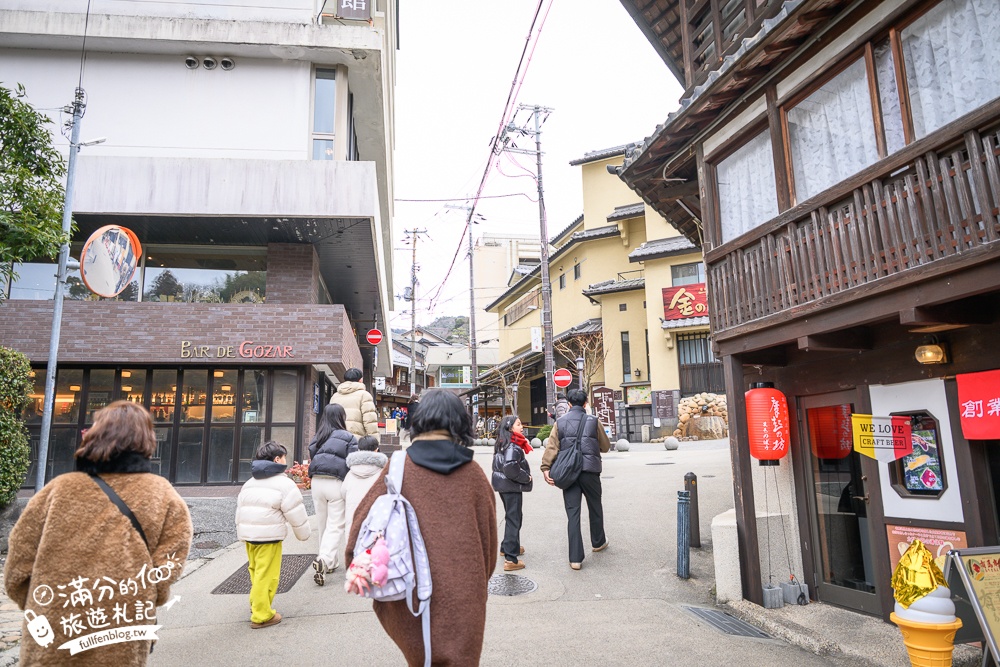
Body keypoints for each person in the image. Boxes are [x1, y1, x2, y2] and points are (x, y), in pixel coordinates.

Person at [5, 401, 192, 665]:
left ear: (94, 435)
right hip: (124, 622)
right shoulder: (163, 494)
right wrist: (147, 596)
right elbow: (169, 563)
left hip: (54, 625)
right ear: (147, 440)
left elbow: (17, 569)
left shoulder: (58, 490)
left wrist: (44, 606)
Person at [346, 389, 497, 666]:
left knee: (421, 656)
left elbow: (359, 529)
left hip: (409, 593)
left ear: (420, 420)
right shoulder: (474, 475)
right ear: (461, 424)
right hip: (465, 598)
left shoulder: (399, 468)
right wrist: (475, 582)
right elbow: (489, 546)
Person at [236, 440, 310, 628]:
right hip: (268, 537)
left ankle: (256, 604)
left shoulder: (249, 483)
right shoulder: (284, 484)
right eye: (284, 457)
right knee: (267, 575)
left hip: (249, 536)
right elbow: (295, 512)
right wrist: (303, 534)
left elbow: (240, 510)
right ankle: (262, 615)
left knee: (256, 571)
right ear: (277, 459)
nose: (285, 460)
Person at [540, 388, 612, 571]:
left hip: (569, 472)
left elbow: (552, 447)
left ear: (569, 404)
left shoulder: (560, 422)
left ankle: (575, 559)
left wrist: (546, 468)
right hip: (590, 471)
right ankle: (598, 542)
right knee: (595, 506)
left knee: (573, 513)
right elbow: (605, 446)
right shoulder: (593, 421)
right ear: (586, 403)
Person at [308, 403, 359, 585]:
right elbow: (353, 461)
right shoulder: (348, 437)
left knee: (322, 523)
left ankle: (329, 562)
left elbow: (312, 454)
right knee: (336, 524)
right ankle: (325, 559)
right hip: (336, 482)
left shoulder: (318, 436)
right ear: (341, 418)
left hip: (316, 482)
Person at [491, 416, 533, 572]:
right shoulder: (513, 445)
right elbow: (510, 468)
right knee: (514, 519)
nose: (522, 427)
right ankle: (510, 559)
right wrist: (526, 477)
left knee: (512, 516)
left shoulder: (503, 441)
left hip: (503, 485)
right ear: (510, 428)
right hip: (511, 485)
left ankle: (508, 546)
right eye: (518, 424)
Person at [343, 434, 388, 539]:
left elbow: (343, 493)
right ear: (376, 450)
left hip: (353, 524)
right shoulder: (383, 473)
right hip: (374, 525)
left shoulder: (350, 473)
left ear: (359, 450)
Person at [329, 367, 379, 437]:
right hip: (356, 439)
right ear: (360, 380)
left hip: (337, 438)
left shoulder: (335, 396)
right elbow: (370, 421)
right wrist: (374, 440)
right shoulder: (364, 395)